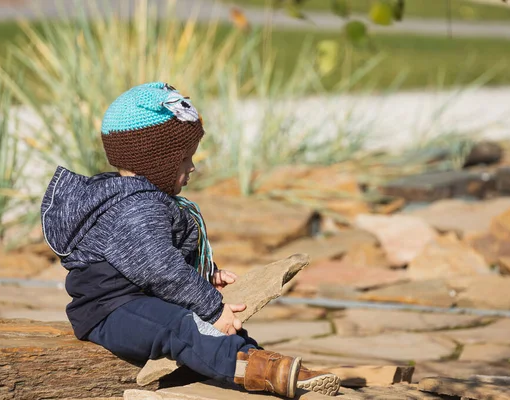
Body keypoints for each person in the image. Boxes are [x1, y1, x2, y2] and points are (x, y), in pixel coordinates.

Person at [40, 82, 340, 398]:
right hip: (111, 312)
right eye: (185, 160)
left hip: (140, 300)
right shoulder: (135, 207)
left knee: (216, 325)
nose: (192, 167)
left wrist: (205, 274)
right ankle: (259, 371)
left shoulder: (139, 198)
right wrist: (211, 306)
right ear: (158, 161)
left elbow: (158, 260)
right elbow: (159, 268)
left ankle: (257, 361)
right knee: (184, 326)